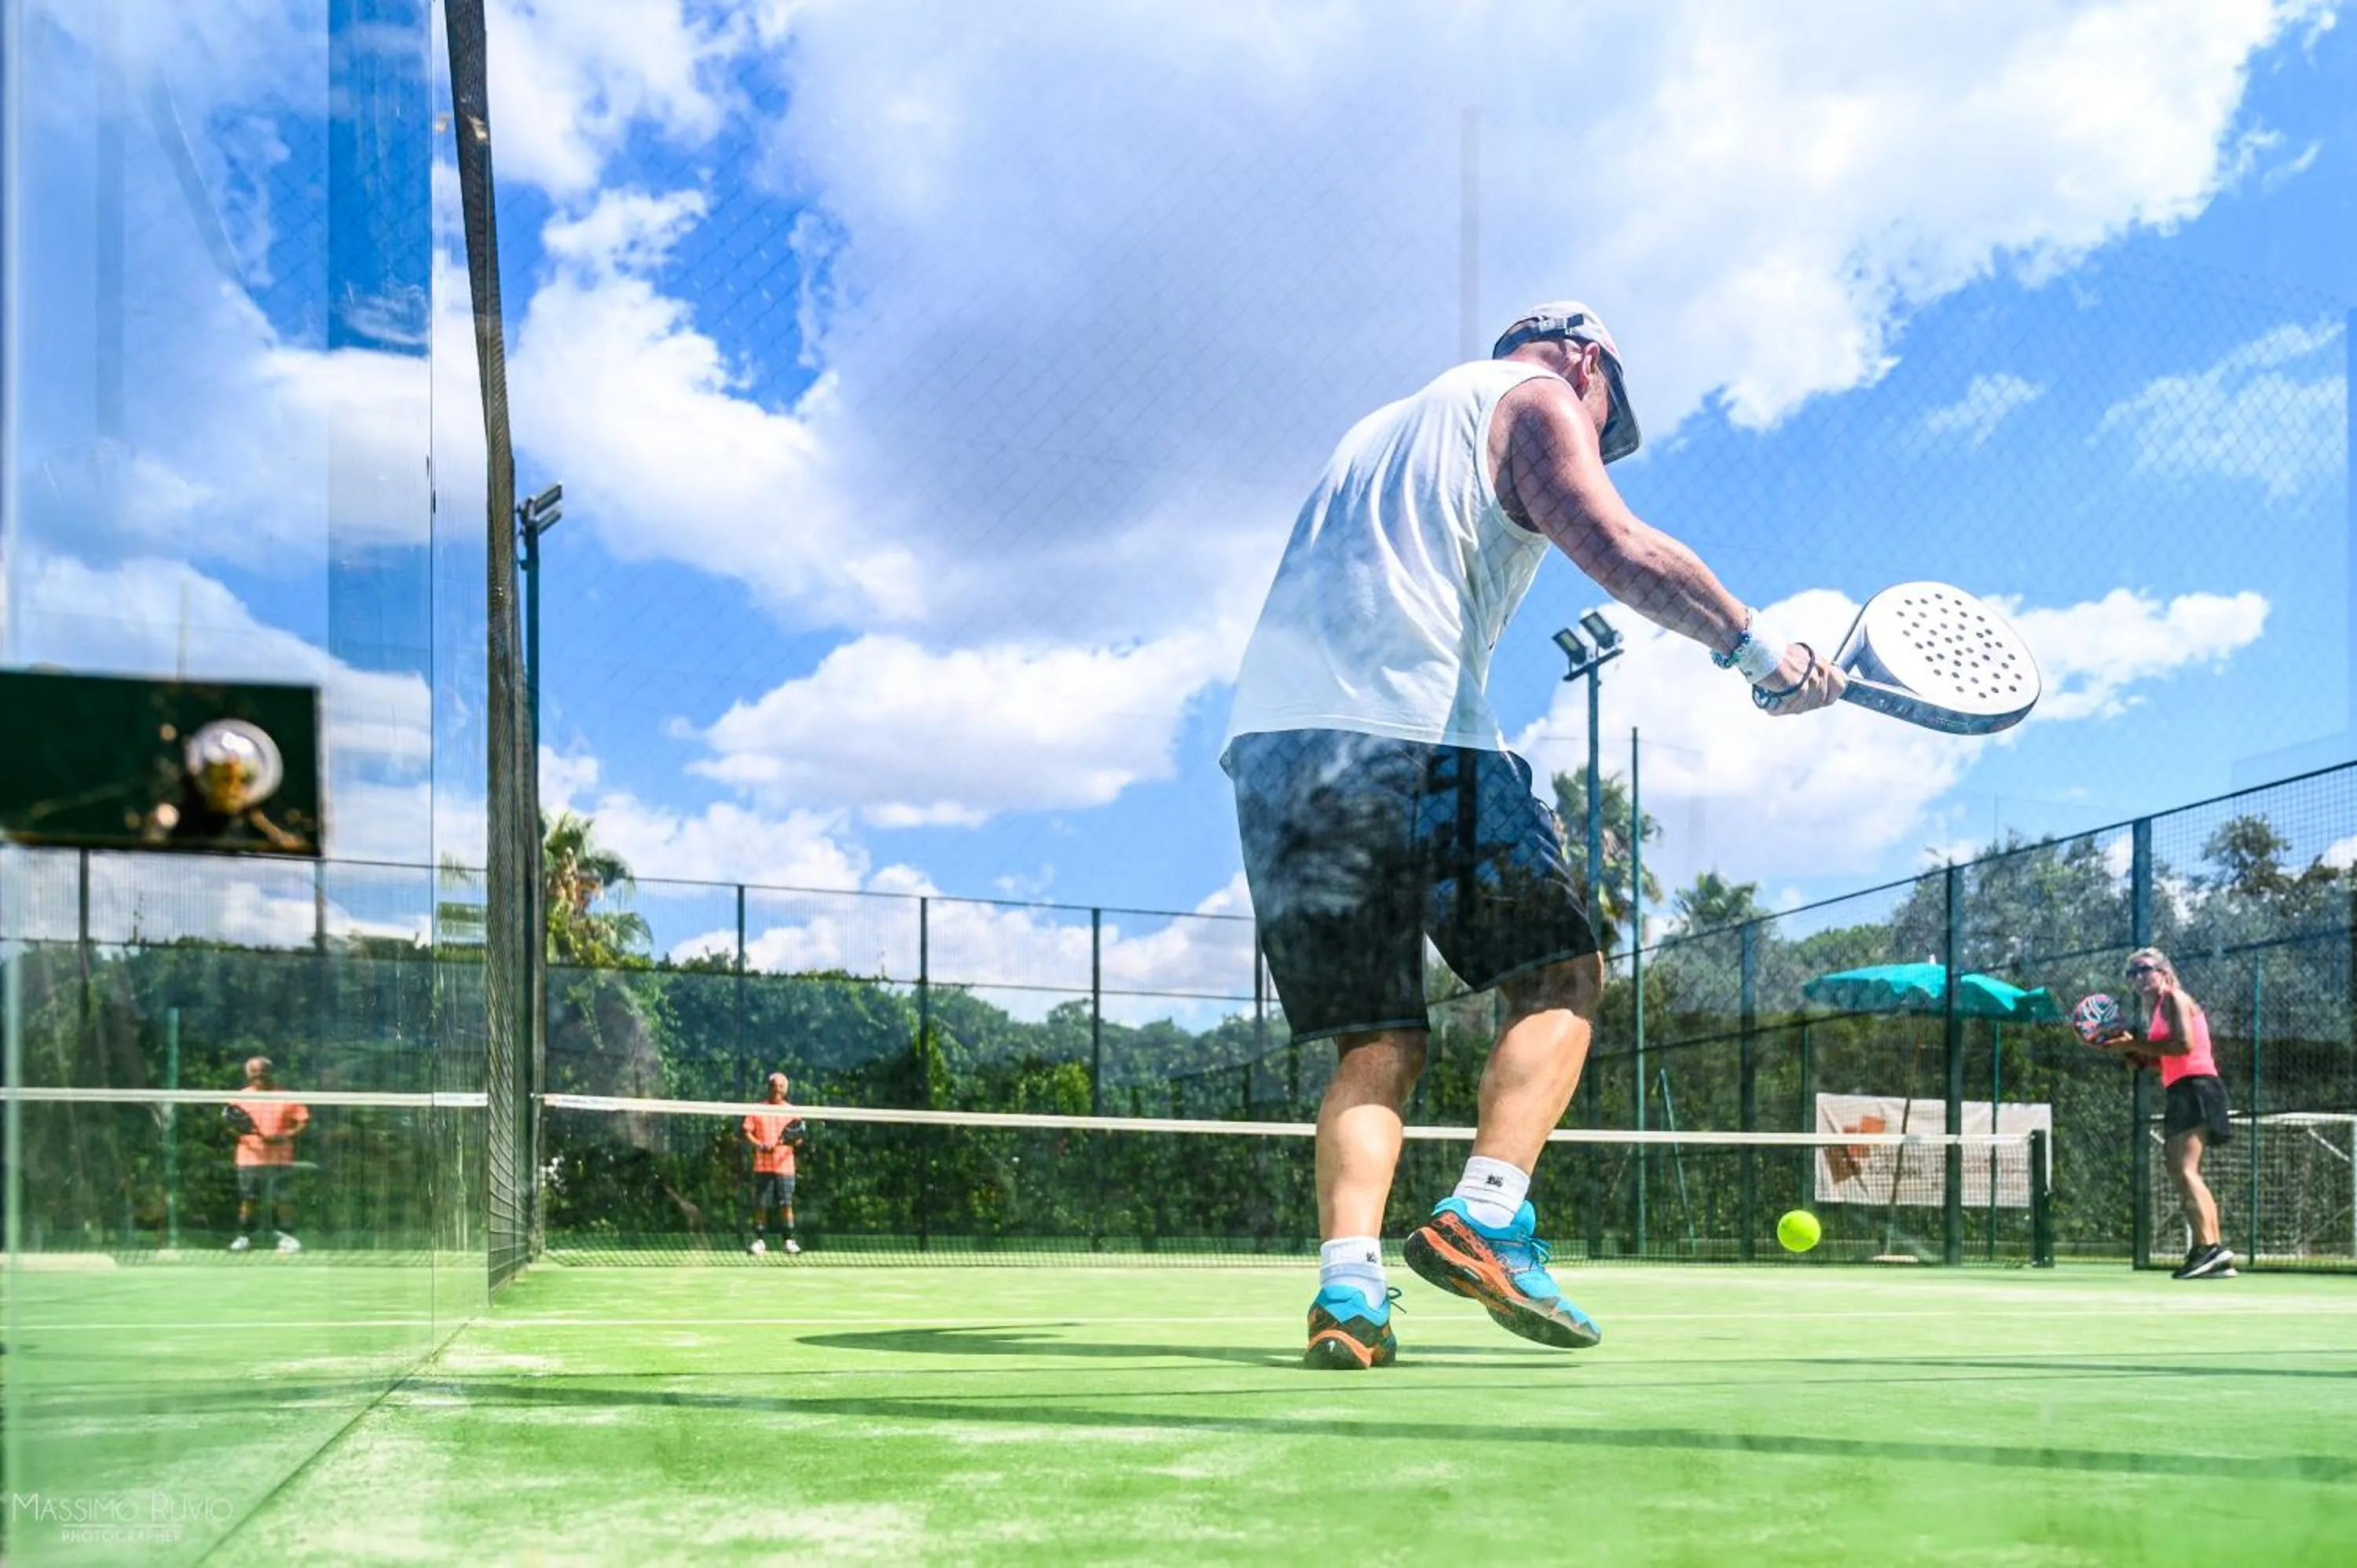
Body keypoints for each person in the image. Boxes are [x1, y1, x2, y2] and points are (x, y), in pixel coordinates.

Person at [1222, 301, 1846, 1368]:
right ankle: (1490, 1210)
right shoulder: (1533, 395)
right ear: (1587, 363)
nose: (1596, 440)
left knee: (1375, 1041)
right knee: (1562, 974)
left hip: (1276, 753)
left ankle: (1348, 1295)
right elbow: (1612, 540)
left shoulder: (1374, 436)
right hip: (1410, 733)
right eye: (1606, 426)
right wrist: (1754, 649)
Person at [2093, 948, 2236, 1280]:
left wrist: (2138, 1046)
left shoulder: (2174, 998)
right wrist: (2134, 1054)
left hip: (2197, 1087)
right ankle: (2212, 1251)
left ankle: (2210, 1249)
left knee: (2183, 1169)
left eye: (2145, 969)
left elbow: (2184, 1045)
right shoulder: (2157, 1011)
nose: (2139, 978)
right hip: (2185, 1087)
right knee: (2182, 1169)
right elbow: (2166, 1059)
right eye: (2132, 973)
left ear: (2163, 972)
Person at [225, 1056, 307, 1254]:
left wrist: (283, 1136)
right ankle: (244, 1237)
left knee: (284, 1199)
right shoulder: (240, 1097)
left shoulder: (286, 1095)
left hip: (281, 1158)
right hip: (249, 1157)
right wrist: (249, 1136)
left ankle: (288, 1238)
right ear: (248, 1074)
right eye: (254, 1072)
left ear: (270, 1072)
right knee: (249, 1199)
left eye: (263, 1071)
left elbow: (302, 1121)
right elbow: (230, 1124)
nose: (259, 1075)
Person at [742, 1072, 806, 1257]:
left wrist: (786, 1142)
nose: (776, 1089)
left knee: (786, 1204)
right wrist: (760, 1145)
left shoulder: (793, 1112)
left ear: (785, 1090)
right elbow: (747, 1132)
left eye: (780, 1086)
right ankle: (760, 1241)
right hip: (762, 1167)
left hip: (785, 1168)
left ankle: (789, 1241)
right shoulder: (756, 1109)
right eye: (773, 1085)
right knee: (761, 1204)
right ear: (768, 1087)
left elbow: (799, 1138)